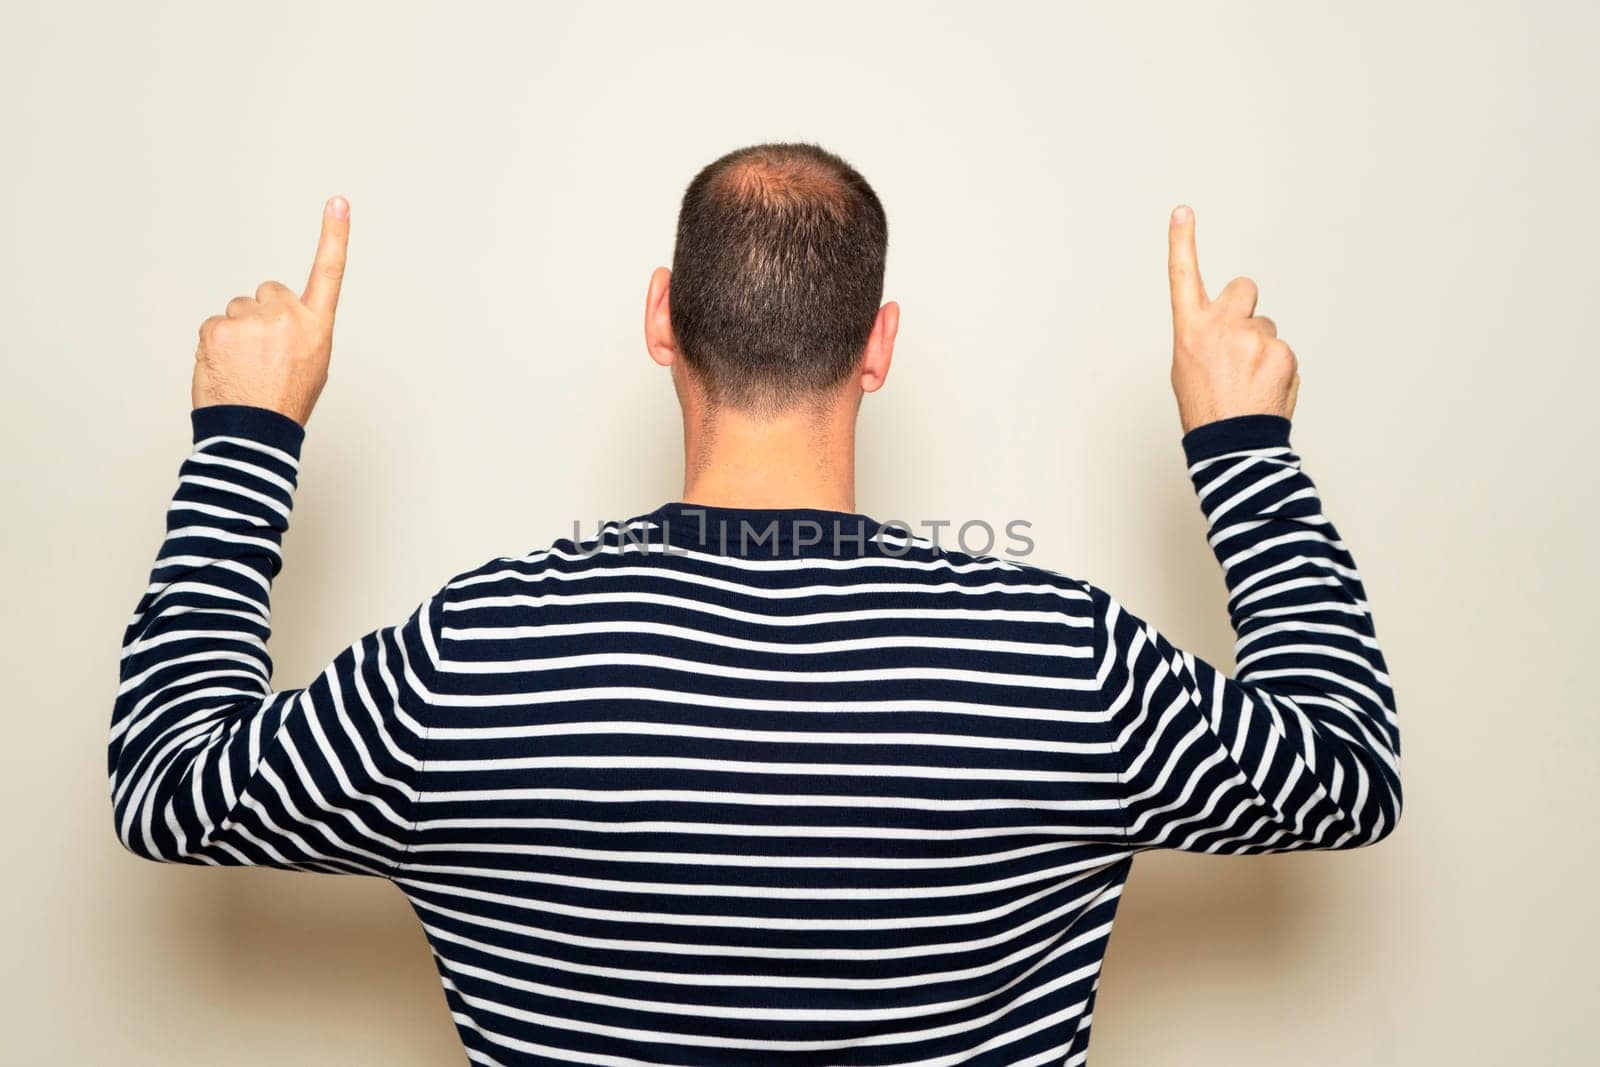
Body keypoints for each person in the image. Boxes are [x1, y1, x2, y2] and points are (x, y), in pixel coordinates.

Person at [110, 142, 1401, 1066]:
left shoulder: (475, 661)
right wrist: (1242, 446)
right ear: (879, 344)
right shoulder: (1065, 661)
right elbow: (1348, 773)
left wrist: (245, 432)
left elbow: (171, 786)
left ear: (663, 320)